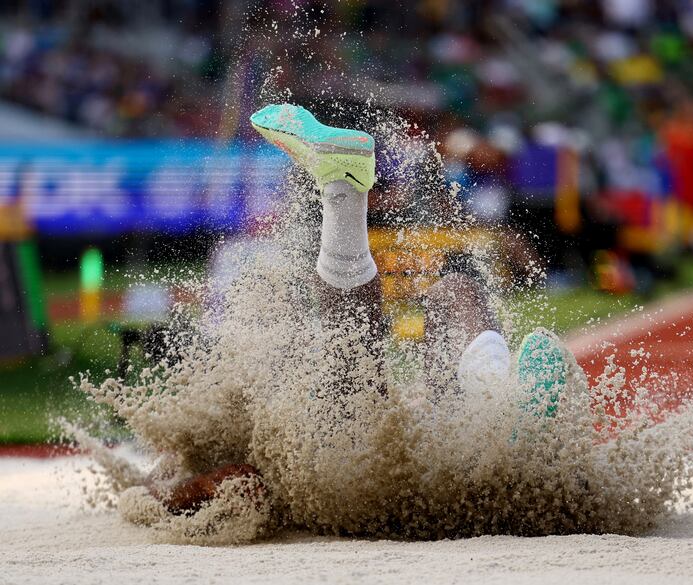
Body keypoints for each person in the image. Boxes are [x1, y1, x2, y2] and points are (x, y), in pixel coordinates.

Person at [152, 104, 575, 512]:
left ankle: (499, 407)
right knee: (352, 364)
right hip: (351, 472)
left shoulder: (244, 360)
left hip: (418, 445)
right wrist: (214, 487)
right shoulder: (228, 403)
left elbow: (157, 490)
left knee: (454, 292)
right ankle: (342, 193)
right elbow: (158, 491)